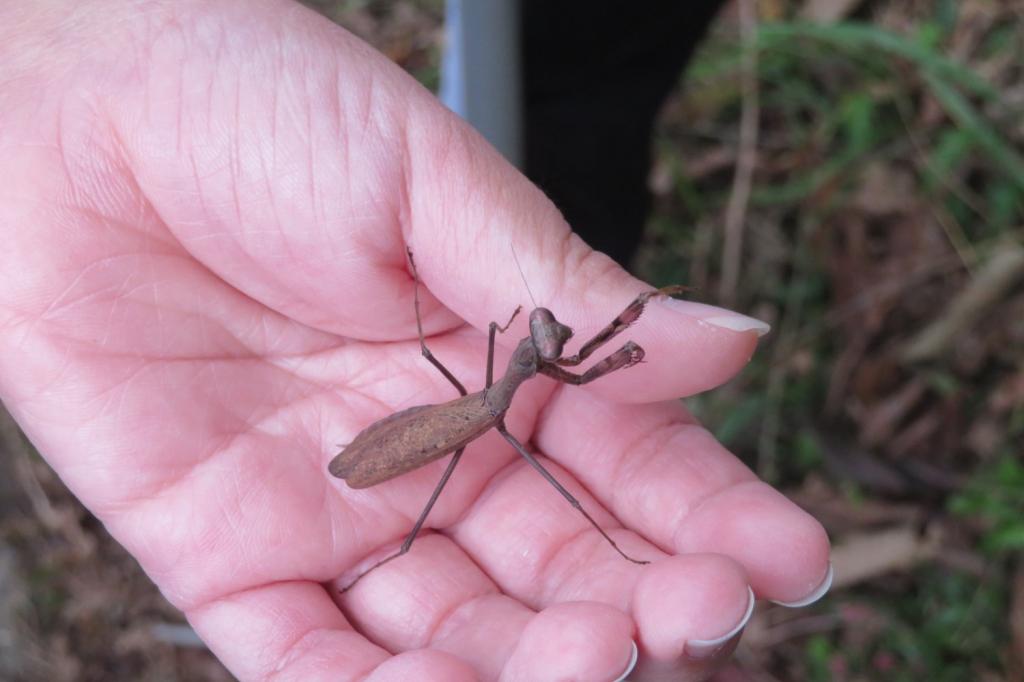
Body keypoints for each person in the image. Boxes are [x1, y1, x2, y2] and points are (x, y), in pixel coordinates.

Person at [0, 2, 831, 680]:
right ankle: (413, 556)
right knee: (439, 508)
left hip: (449, 417)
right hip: (427, 433)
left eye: (540, 339)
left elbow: (546, 346)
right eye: (542, 337)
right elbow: (557, 353)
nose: (546, 335)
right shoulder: (506, 385)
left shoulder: (504, 371)